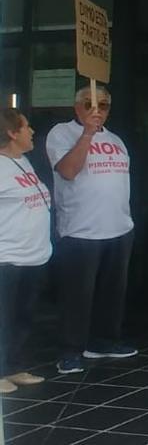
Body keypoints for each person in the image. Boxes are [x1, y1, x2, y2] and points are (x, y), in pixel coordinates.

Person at [47, 86, 137, 374]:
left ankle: (104, 341)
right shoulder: (61, 133)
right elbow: (69, 171)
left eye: (104, 105)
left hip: (118, 226)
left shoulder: (116, 140)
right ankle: (70, 350)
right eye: (89, 103)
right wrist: (86, 133)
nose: (97, 110)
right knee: (77, 295)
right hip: (80, 229)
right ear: (77, 107)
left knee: (112, 292)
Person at [0, 109, 50, 393]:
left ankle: (13, 366)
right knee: (3, 317)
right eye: (27, 127)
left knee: (22, 316)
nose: (32, 132)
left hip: (33, 255)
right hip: (7, 257)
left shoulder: (24, 162)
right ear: (12, 132)